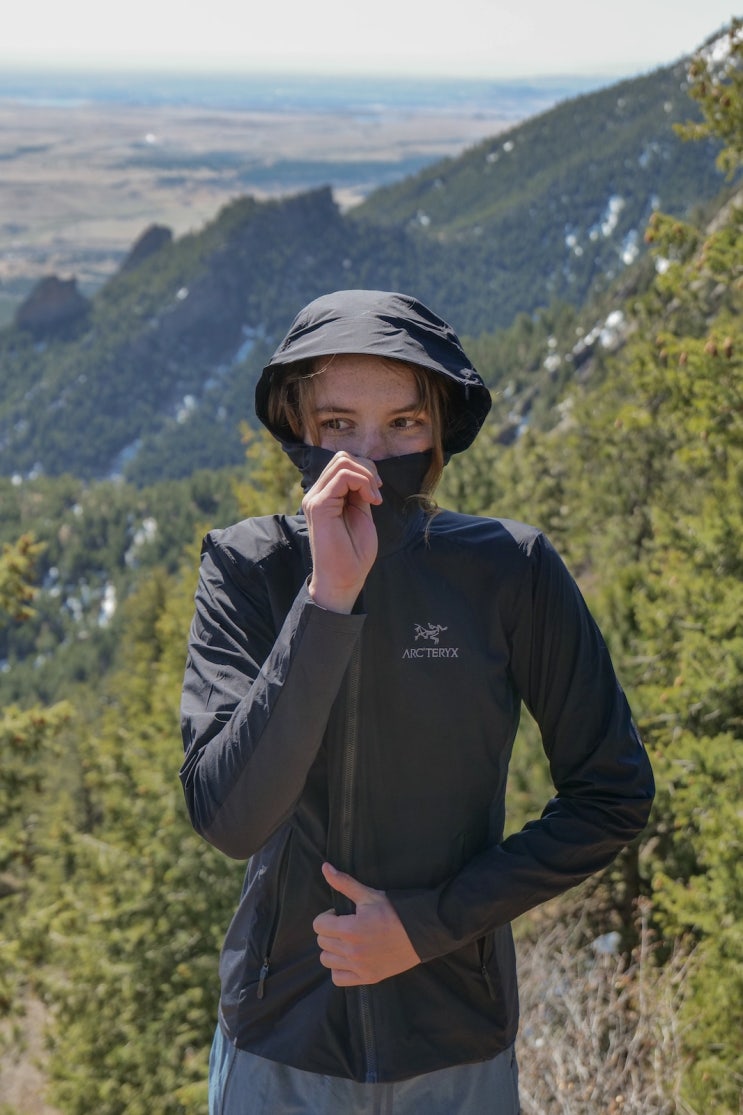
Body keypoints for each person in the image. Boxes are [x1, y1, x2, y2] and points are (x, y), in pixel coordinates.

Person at [179, 289, 655, 1114]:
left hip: (456, 1044)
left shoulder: (509, 570)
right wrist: (326, 601)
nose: (368, 457)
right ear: (296, 425)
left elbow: (611, 793)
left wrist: (426, 925)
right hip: (280, 1040)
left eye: (402, 423)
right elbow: (230, 817)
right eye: (337, 424)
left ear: (438, 430)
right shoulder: (247, 568)